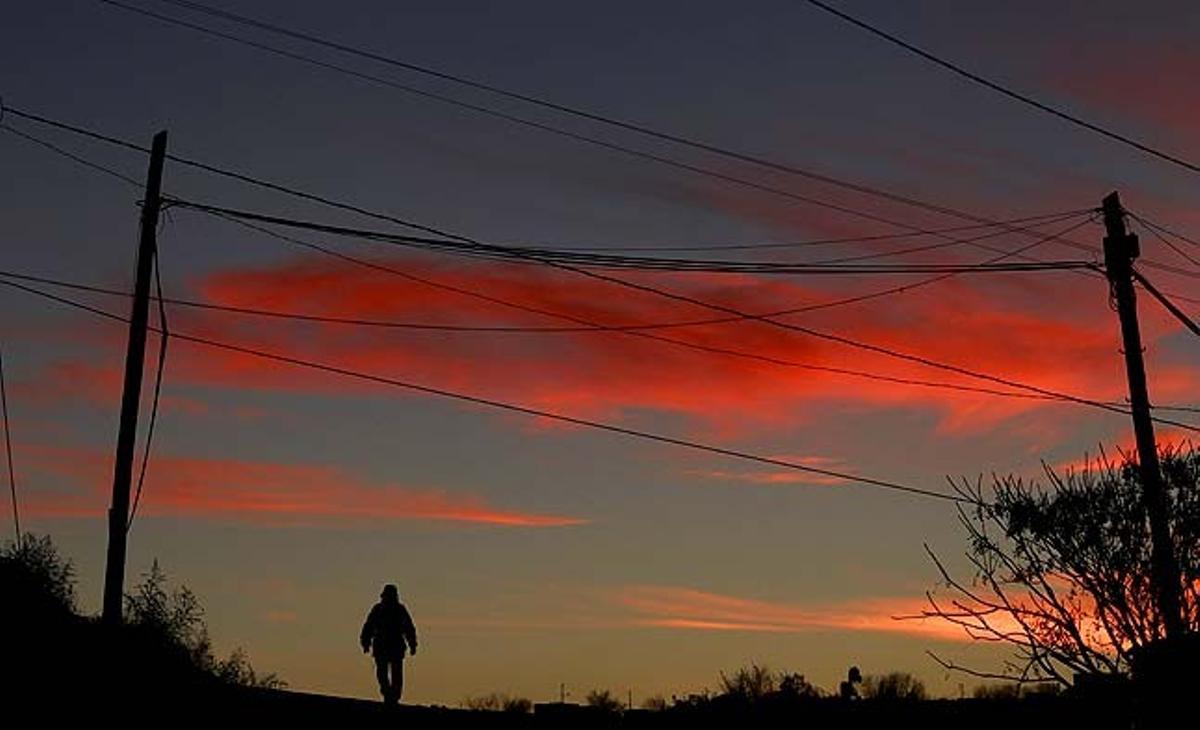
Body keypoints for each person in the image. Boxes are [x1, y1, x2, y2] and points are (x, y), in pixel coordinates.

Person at [360, 584, 418, 705]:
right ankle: (388, 694)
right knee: (383, 674)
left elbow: (409, 628)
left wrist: (413, 644)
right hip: (383, 647)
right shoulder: (379, 609)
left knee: (395, 674)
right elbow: (369, 626)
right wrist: (365, 642)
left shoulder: (399, 610)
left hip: (394, 647)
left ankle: (393, 697)